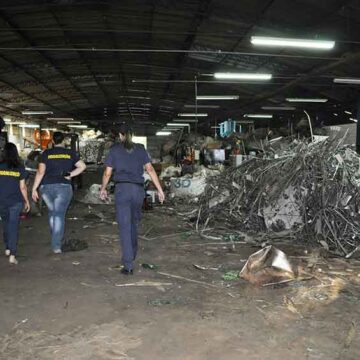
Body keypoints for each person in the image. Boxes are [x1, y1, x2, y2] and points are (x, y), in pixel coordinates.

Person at [100, 124, 165, 275]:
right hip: (138, 191)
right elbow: (150, 169)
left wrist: (103, 188)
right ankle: (132, 253)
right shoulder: (141, 148)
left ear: (120, 135)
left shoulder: (115, 149)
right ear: (131, 135)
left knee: (124, 226)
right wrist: (160, 190)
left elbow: (107, 173)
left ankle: (128, 264)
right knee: (134, 223)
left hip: (122, 189)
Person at [32, 131, 86, 253]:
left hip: (46, 188)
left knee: (53, 213)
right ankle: (56, 245)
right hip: (63, 187)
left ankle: (55, 238)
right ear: (63, 141)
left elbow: (40, 172)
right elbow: (82, 166)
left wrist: (34, 188)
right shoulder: (69, 153)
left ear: (52, 141)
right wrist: (70, 175)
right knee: (59, 215)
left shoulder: (46, 153)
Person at [0, 142, 30, 264]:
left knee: (5, 225)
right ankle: (12, 255)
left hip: (1, 201)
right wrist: (27, 201)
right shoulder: (20, 168)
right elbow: (23, 187)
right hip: (15, 202)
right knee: (13, 227)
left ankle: (7, 248)